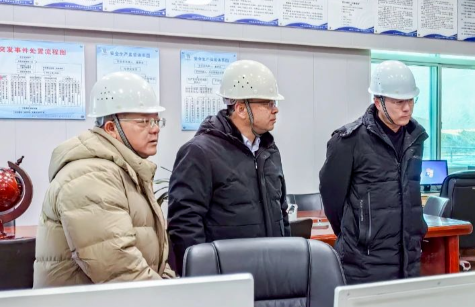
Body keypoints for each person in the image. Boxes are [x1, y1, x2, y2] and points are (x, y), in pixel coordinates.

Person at [34, 72, 175, 287]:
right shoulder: (90, 176)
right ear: (111, 128)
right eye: (143, 121)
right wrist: (169, 297)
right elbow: (118, 267)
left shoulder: (124, 170)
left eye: (156, 120)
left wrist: (171, 286)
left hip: (120, 302)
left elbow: (155, 258)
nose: (155, 129)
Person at [167, 60, 290, 268]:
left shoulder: (269, 150)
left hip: (272, 270)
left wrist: (287, 262)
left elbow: (282, 211)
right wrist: (202, 273)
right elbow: (185, 223)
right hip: (226, 274)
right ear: (241, 109)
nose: (275, 110)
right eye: (268, 103)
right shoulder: (199, 152)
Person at [319, 60, 428, 284]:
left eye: (410, 100)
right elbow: (331, 197)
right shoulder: (348, 140)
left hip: (408, 259)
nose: (407, 108)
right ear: (378, 102)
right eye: (398, 101)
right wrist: (359, 235)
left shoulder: (416, 137)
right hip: (363, 263)